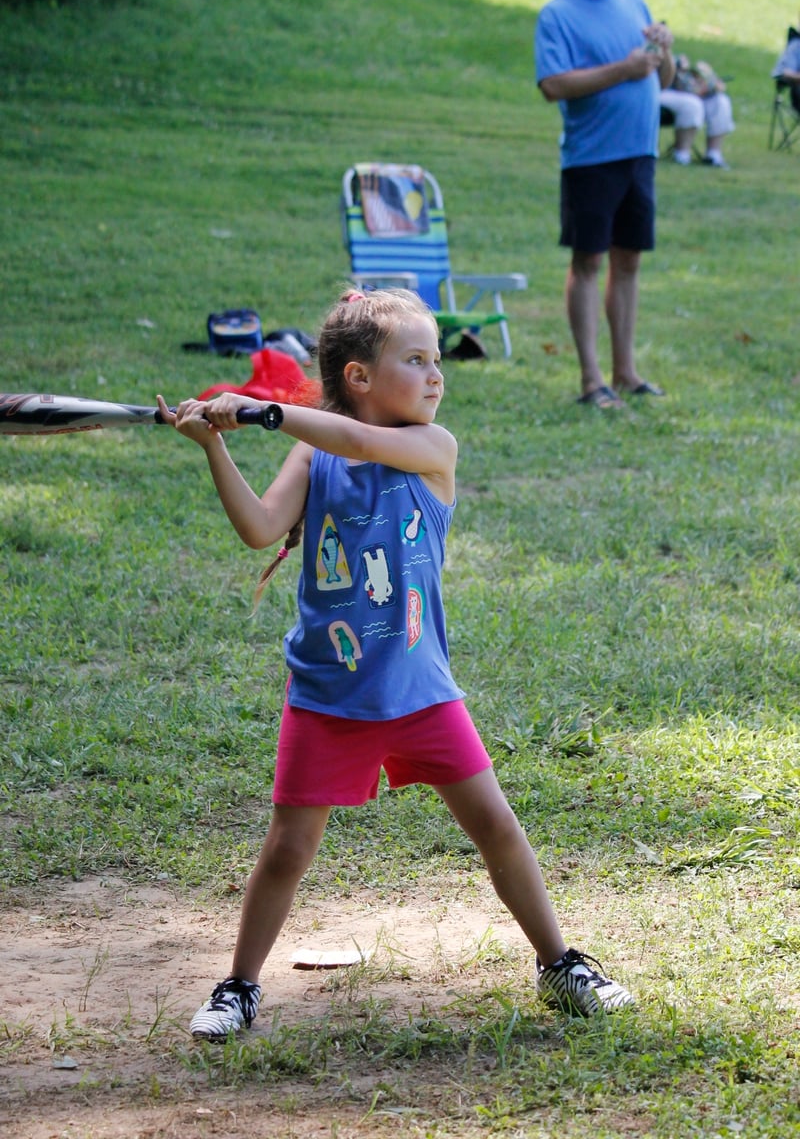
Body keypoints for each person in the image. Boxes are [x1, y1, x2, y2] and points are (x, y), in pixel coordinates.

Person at [157, 287, 634, 1041]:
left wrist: (259, 411)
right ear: (359, 377)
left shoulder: (432, 449)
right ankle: (239, 985)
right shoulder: (312, 453)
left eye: (436, 359)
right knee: (287, 849)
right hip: (327, 693)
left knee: (496, 826)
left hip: (419, 690)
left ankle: (560, 963)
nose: (436, 374)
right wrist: (215, 444)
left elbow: (359, 441)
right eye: (415, 360)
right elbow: (259, 528)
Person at [534, 0, 674, 408]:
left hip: (640, 154)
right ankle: (591, 380)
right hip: (591, 158)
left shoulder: (634, 3)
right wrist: (624, 69)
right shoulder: (557, 14)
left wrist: (664, 51)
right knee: (588, 263)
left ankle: (626, 372)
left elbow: (661, 80)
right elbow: (553, 85)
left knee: (629, 262)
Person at [660, 54, 735, 168]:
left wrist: (707, 83)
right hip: (659, 90)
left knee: (720, 101)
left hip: (679, 89)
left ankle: (713, 154)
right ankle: (681, 154)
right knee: (692, 104)